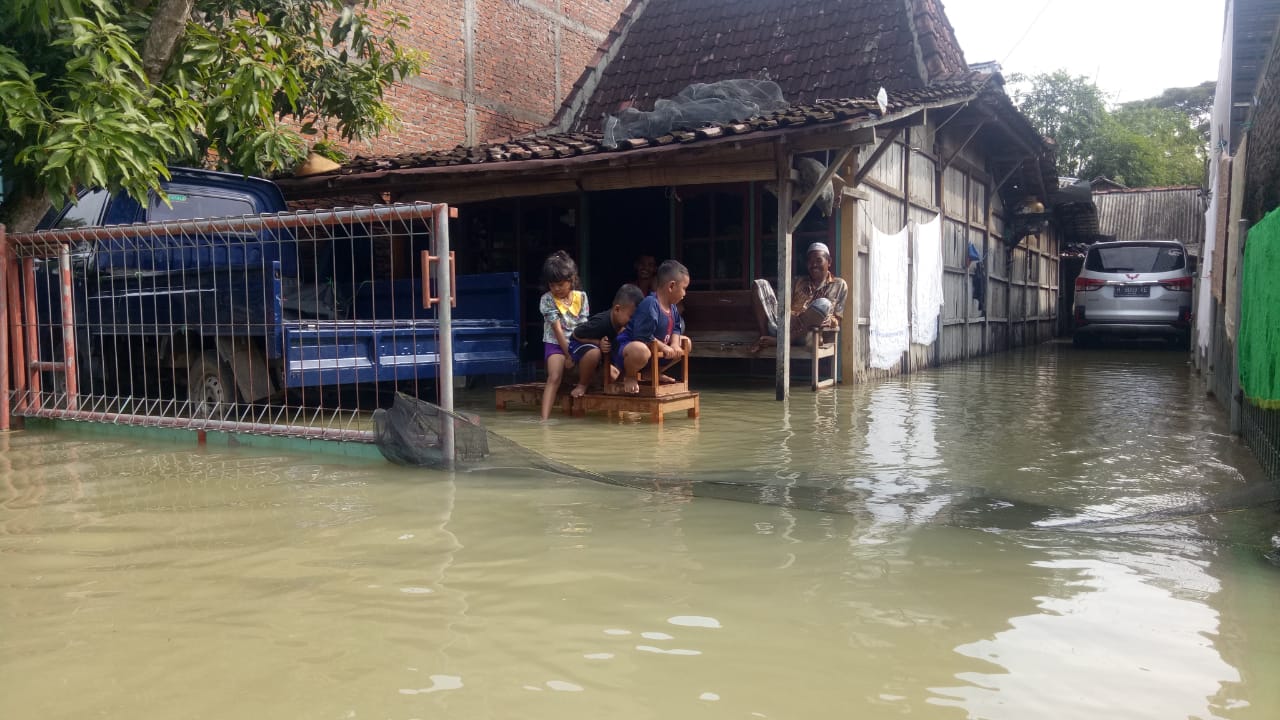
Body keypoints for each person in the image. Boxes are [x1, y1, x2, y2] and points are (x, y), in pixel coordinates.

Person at [750, 242, 849, 352]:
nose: (814, 264)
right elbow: (782, 307)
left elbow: (838, 318)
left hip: (810, 335)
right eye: (810, 261)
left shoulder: (839, 284)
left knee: (824, 304)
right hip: (783, 329)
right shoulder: (798, 281)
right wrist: (791, 315)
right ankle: (763, 338)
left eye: (818, 260)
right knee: (759, 284)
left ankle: (785, 341)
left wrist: (830, 321)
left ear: (829, 262)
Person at [614, 259, 692, 394]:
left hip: (653, 353)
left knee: (686, 343)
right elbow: (642, 337)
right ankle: (630, 376)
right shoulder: (650, 304)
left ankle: (651, 372)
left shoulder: (673, 308)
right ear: (671, 286)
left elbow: (676, 328)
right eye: (684, 288)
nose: (685, 294)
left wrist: (674, 344)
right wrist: (664, 347)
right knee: (640, 349)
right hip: (630, 350)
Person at [538, 251, 590, 420]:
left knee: (594, 355)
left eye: (560, 284)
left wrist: (575, 350)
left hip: (577, 341)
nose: (556, 289)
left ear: (571, 280)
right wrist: (569, 354)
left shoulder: (581, 297)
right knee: (554, 376)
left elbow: (583, 326)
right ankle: (544, 420)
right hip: (555, 343)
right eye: (552, 285)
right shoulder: (546, 299)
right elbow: (557, 330)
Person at [569, 284, 645, 397]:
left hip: (603, 360)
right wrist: (598, 343)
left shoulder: (626, 327)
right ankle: (582, 385)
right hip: (580, 351)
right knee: (594, 353)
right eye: (631, 317)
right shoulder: (601, 322)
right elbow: (575, 334)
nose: (633, 321)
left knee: (615, 374)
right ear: (617, 309)